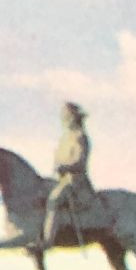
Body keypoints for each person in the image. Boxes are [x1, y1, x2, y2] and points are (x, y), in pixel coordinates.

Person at [43, 102, 95, 249]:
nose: (65, 120)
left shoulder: (80, 137)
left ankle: (48, 240)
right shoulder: (64, 139)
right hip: (61, 179)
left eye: (67, 117)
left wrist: (65, 166)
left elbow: (80, 161)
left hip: (76, 180)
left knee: (55, 199)